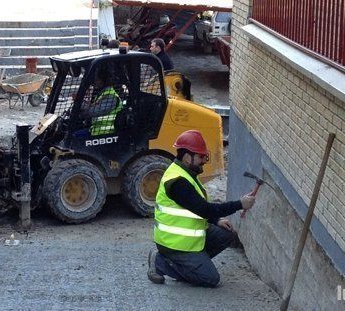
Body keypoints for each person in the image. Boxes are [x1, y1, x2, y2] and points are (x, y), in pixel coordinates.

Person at [147, 129, 256, 287]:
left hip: (187, 240)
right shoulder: (178, 182)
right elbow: (205, 209)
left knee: (227, 234)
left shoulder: (186, 173)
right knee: (211, 279)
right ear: (186, 157)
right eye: (200, 156)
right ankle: (161, 262)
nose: (204, 160)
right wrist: (240, 204)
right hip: (174, 244)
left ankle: (193, 266)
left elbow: (196, 207)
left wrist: (216, 220)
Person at [86, 70, 123, 136]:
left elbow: (93, 112)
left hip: (107, 134)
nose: (95, 82)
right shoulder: (102, 95)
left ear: (103, 81)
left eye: (97, 80)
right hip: (97, 134)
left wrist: (79, 105)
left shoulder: (111, 97)